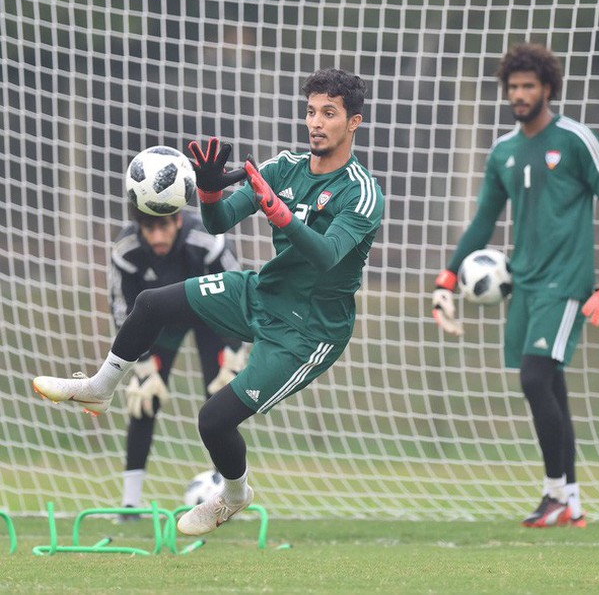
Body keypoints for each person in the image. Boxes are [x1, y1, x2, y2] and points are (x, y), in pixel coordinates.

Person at [33, 68, 384, 536]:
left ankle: (234, 495)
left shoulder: (362, 192)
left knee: (214, 420)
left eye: (329, 113)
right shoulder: (284, 168)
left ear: (353, 122)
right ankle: (101, 385)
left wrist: (277, 211)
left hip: (310, 333)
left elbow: (326, 256)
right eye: (310, 112)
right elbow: (217, 222)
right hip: (261, 292)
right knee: (152, 303)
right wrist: (211, 188)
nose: (316, 122)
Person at [432, 43, 599, 528]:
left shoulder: (575, 139)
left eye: (528, 86)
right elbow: (483, 220)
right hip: (524, 284)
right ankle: (570, 502)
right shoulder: (503, 150)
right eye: (513, 87)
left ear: (547, 88)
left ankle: (556, 494)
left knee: (534, 378)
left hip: (565, 284)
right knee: (552, 387)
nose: (519, 94)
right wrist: (448, 276)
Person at [111, 204, 248, 519]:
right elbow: (122, 310)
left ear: (178, 220)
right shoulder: (126, 249)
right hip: (160, 322)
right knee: (144, 400)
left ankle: (226, 496)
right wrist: (142, 366)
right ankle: (130, 505)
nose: (157, 236)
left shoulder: (208, 241)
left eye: (164, 227)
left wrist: (234, 351)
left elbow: (240, 294)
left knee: (221, 406)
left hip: (213, 318)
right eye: (149, 228)